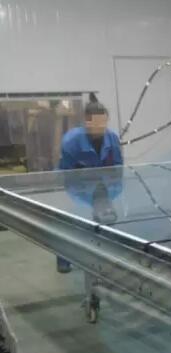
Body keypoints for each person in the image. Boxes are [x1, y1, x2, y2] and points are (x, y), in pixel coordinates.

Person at [56, 93, 123, 273]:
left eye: (104, 122)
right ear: (87, 122)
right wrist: (80, 185)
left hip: (105, 188)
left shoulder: (112, 138)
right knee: (72, 224)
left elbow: (118, 167)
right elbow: (66, 172)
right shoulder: (71, 141)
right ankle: (64, 258)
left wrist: (114, 189)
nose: (101, 127)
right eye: (97, 123)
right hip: (77, 190)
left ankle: (104, 258)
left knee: (108, 219)